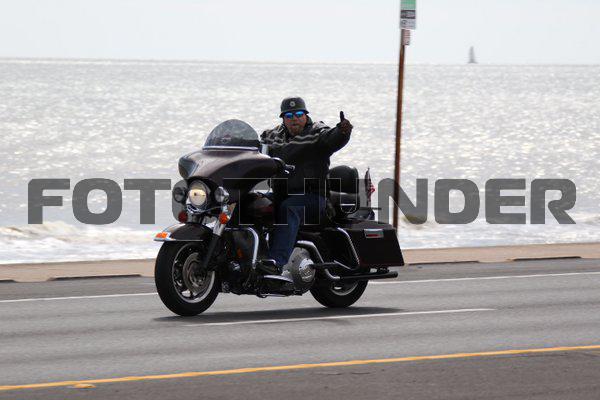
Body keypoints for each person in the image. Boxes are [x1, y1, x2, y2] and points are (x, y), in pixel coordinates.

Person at [260, 97, 353, 272]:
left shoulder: (317, 132)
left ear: (305, 115)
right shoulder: (272, 135)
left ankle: (276, 263)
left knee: (289, 208)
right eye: (289, 115)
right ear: (283, 118)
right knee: (252, 203)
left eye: (298, 114)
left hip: (313, 197)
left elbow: (331, 138)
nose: (294, 118)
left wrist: (342, 131)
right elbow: (255, 147)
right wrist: (231, 141)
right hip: (281, 194)